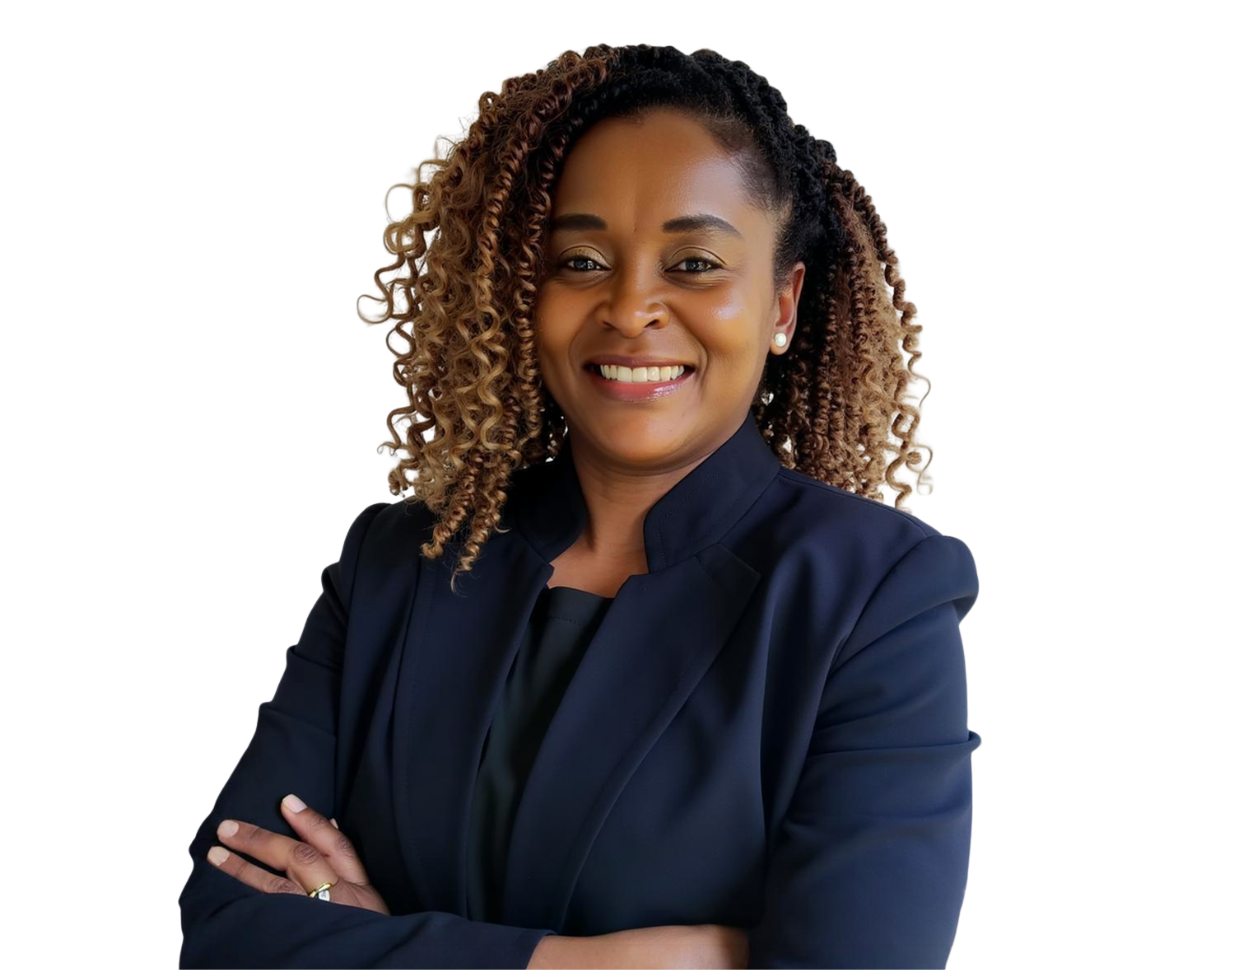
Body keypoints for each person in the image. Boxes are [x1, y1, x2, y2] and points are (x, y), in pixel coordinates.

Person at [178, 43, 981, 970]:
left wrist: (364, 935)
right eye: (583, 259)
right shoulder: (395, 563)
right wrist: (605, 963)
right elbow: (225, 926)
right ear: (525, 294)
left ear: (783, 303)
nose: (633, 306)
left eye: (694, 263)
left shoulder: (875, 595)